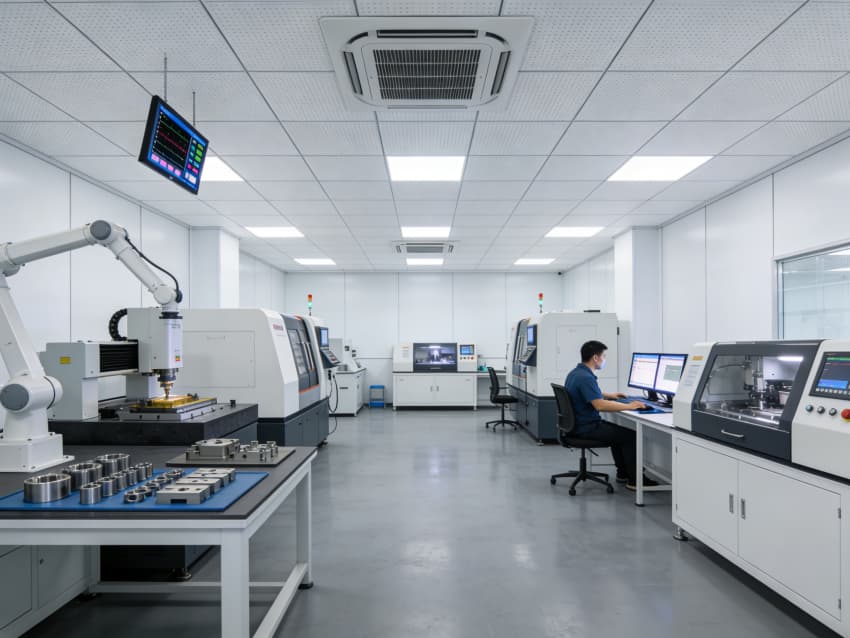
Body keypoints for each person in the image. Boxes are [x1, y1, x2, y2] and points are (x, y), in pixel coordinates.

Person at [564, 340, 658, 491]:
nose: (604, 359)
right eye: (604, 356)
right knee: (630, 436)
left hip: (577, 425)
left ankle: (623, 473)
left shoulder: (576, 373)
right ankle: (635, 480)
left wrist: (610, 395)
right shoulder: (586, 378)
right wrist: (629, 406)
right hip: (586, 428)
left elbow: (587, 393)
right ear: (595, 358)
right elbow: (600, 405)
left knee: (618, 433)